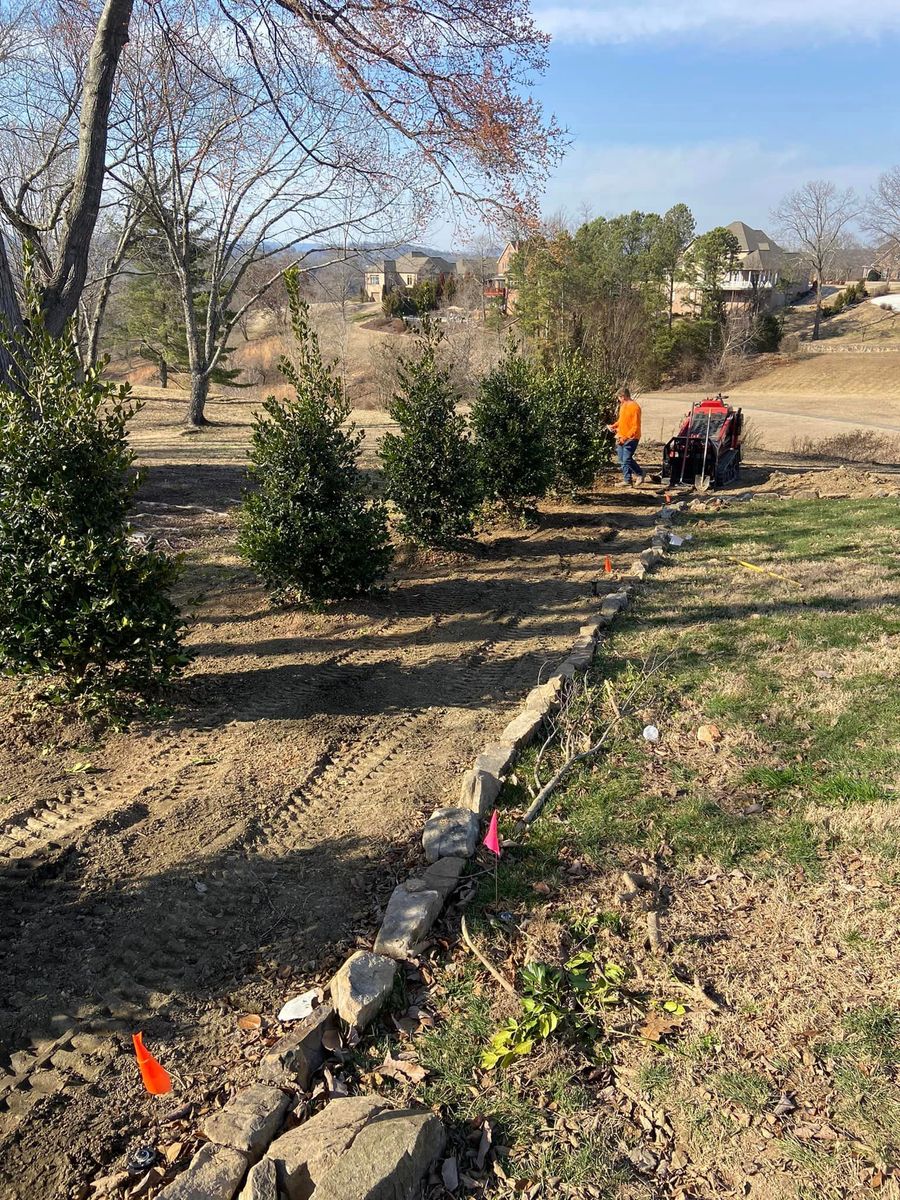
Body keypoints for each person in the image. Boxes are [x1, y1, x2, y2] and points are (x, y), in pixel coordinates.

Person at [608, 388, 644, 486]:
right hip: (621, 436)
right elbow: (622, 420)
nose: (619, 399)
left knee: (627, 459)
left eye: (619, 397)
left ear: (623, 396)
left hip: (631, 438)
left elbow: (635, 426)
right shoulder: (623, 406)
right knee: (621, 459)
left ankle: (640, 474)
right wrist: (614, 426)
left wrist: (626, 437)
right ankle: (627, 480)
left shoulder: (635, 407)